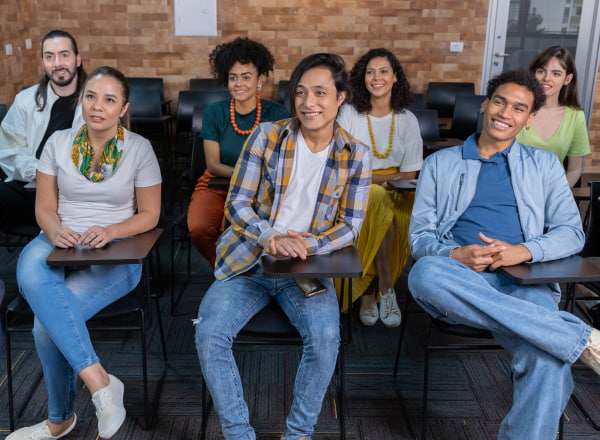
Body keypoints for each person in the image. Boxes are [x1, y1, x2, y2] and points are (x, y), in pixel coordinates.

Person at [407, 69, 600, 440]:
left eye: (518, 108)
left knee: (546, 359)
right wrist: (455, 254)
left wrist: (522, 251)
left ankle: (557, 341)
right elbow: (420, 239)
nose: (505, 113)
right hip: (460, 281)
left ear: (528, 119)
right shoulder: (439, 164)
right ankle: (575, 337)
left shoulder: (544, 166)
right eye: (499, 101)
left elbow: (571, 232)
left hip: (523, 279)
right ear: (485, 103)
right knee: (425, 274)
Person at [194, 53, 371, 440]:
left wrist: (312, 244)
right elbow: (236, 203)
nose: (309, 102)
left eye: (321, 92)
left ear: (341, 96)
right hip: (250, 261)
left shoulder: (356, 155)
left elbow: (351, 226)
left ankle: (298, 434)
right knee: (209, 334)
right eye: (302, 92)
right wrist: (270, 236)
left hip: (304, 270)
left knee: (326, 339)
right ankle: (239, 433)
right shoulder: (267, 136)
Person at [11, 66, 162, 440]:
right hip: (60, 236)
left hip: (118, 249)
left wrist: (110, 230)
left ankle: (60, 420)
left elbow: (150, 214)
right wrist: (55, 229)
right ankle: (100, 383)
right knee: (28, 271)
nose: (98, 106)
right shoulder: (58, 142)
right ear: (82, 99)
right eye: (91, 96)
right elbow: (44, 207)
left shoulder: (139, 148)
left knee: (46, 323)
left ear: (123, 107)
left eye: (110, 100)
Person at [337, 48, 422, 327]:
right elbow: (343, 165)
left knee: (384, 201)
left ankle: (369, 293)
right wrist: (378, 181)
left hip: (401, 191)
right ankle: (385, 288)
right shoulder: (349, 113)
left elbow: (410, 172)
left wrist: (381, 181)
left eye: (384, 71)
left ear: (395, 77)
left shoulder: (407, 119)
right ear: (362, 78)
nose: (377, 77)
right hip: (355, 191)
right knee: (376, 197)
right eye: (370, 72)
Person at [187, 37, 288, 267]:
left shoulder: (277, 113)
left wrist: (252, 184)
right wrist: (246, 178)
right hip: (216, 182)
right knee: (198, 229)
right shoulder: (214, 112)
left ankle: (245, 272)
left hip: (262, 188)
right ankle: (224, 268)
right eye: (233, 78)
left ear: (260, 80)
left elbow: (279, 162)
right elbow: (213, 164)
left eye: (246, 77)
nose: (238, 83)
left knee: (241, 230)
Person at [0, 30, 86, 230]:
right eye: (49, 56)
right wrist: (42, 173)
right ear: (43, 62)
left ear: (77, 59)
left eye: (64, 55)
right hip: (29, 189)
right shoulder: (25, 100)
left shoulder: (95, 102)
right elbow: (7, 151)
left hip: (74, 196)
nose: (57, 63)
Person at [516, 46, 590, 188]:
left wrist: (556, 195)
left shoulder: (575, 116)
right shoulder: (517, 108)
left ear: (567, 79)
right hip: (512, 186)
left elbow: (575, 169)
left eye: (556, 74)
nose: (546, 78)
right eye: (541, 71)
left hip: (552, 190)